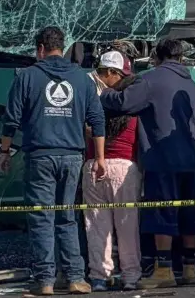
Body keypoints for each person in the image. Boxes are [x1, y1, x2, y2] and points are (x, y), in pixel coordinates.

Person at [0, 26, 106, 296]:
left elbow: (11, 118)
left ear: (40, 49)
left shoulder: (27, 76)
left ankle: (45, 281)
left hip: (41, 156)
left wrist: (4, 151)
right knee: (67, 217)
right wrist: (101, 158)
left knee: (41, 218)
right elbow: (97, 119)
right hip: (73, 156)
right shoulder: (82, 79)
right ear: (63, 47)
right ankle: (75, 278)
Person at [100, 38, 195, 289]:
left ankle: (164, 270)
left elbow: (124, 103)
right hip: (191, 158)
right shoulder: (190, 83)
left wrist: (103, 93)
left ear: (157, 57)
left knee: (162, 211)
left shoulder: (150, 79)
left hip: (162, 157)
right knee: (190, 211)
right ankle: (190, 268)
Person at [82, 51, 141, 292]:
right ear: (110, 73)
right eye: (122, 75)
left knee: (96, 227)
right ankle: (130, 276)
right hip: (125, 168)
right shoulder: (131, 106)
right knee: (128, 227)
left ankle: (99, 277)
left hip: (93, 167)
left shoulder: (90, 102)